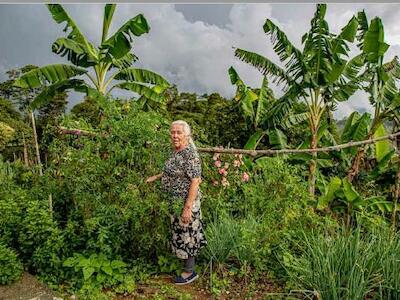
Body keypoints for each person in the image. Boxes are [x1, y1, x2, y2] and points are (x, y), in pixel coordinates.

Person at [146, 120, 207, 285]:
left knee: (188, 235)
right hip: (175, 201)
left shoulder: (190, 154)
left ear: (187, 135)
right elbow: (174, 170)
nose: (175, 135)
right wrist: (157, 177)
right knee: (180, 234)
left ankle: (189, 272)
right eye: (172, 132)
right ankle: (186, 268)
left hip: (186, 202)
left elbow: (195, 181)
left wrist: (187, 207)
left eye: (179, 132)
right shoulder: (176, 152)